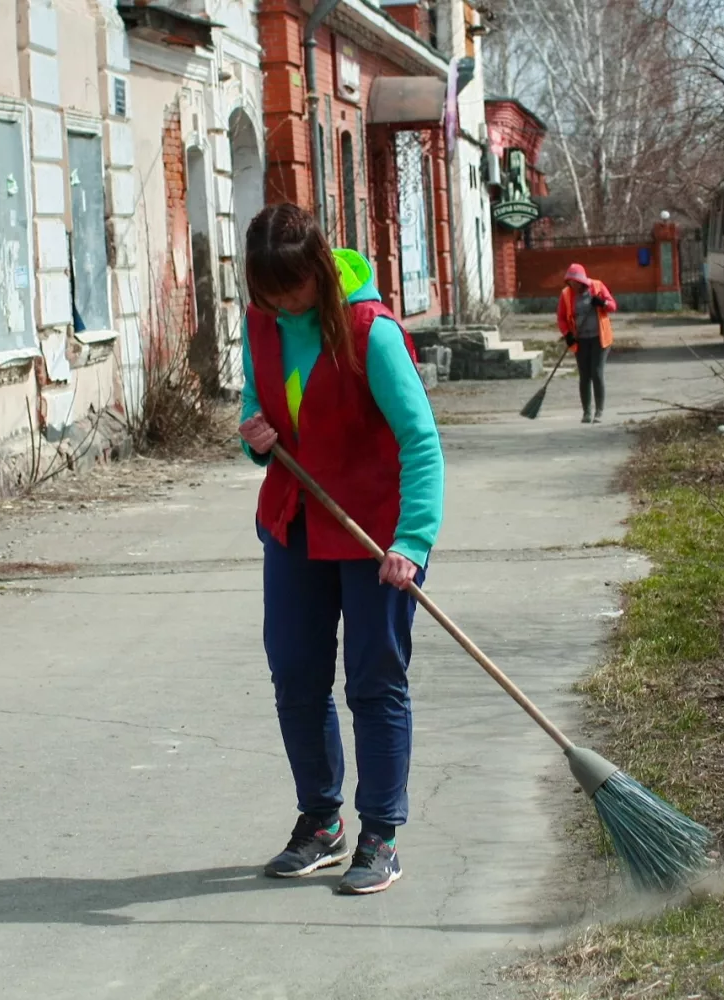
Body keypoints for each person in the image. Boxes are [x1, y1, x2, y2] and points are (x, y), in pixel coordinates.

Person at [235, 203, 445, 896]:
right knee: (296, 674)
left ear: (317, 273)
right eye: (264, 294)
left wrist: (411, 542)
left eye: (288, 292)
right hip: (295, 520)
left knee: (373, 679)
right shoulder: (261, 322)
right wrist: (253, 435)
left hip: (376, 531)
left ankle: (380, 834)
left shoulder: (369, 332)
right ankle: (321, 822)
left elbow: (421, 442)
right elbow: (253, 406)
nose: (277, 306)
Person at [555, 263, 618, 423]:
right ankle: (586, 412)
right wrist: (567, 334)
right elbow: (561, 318)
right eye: (570, 282)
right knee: (584, 375)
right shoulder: (566, 294)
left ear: (582, 280)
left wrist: (602, 303)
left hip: (600, 338)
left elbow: (612, 306)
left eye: (575, 282)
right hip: (580, 339)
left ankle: (599, 411)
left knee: (596, 372)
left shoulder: (597, 287)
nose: (573, 285)